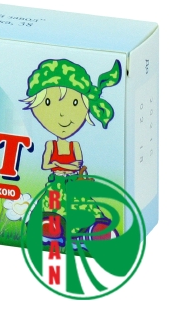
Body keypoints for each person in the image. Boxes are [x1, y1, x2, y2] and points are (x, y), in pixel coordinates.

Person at [22, 58, 121, 248]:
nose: (62, 114)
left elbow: (77, 163)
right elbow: (46, 165)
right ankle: (51, 229)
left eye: (75, 103)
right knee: (53, 207)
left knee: (84, 205)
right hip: (56, 184)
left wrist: (60, 165)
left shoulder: (74, 144)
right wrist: (65, 166)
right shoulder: (51, 145)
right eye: (48, 102)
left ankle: (93, 230)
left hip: (74, 183)